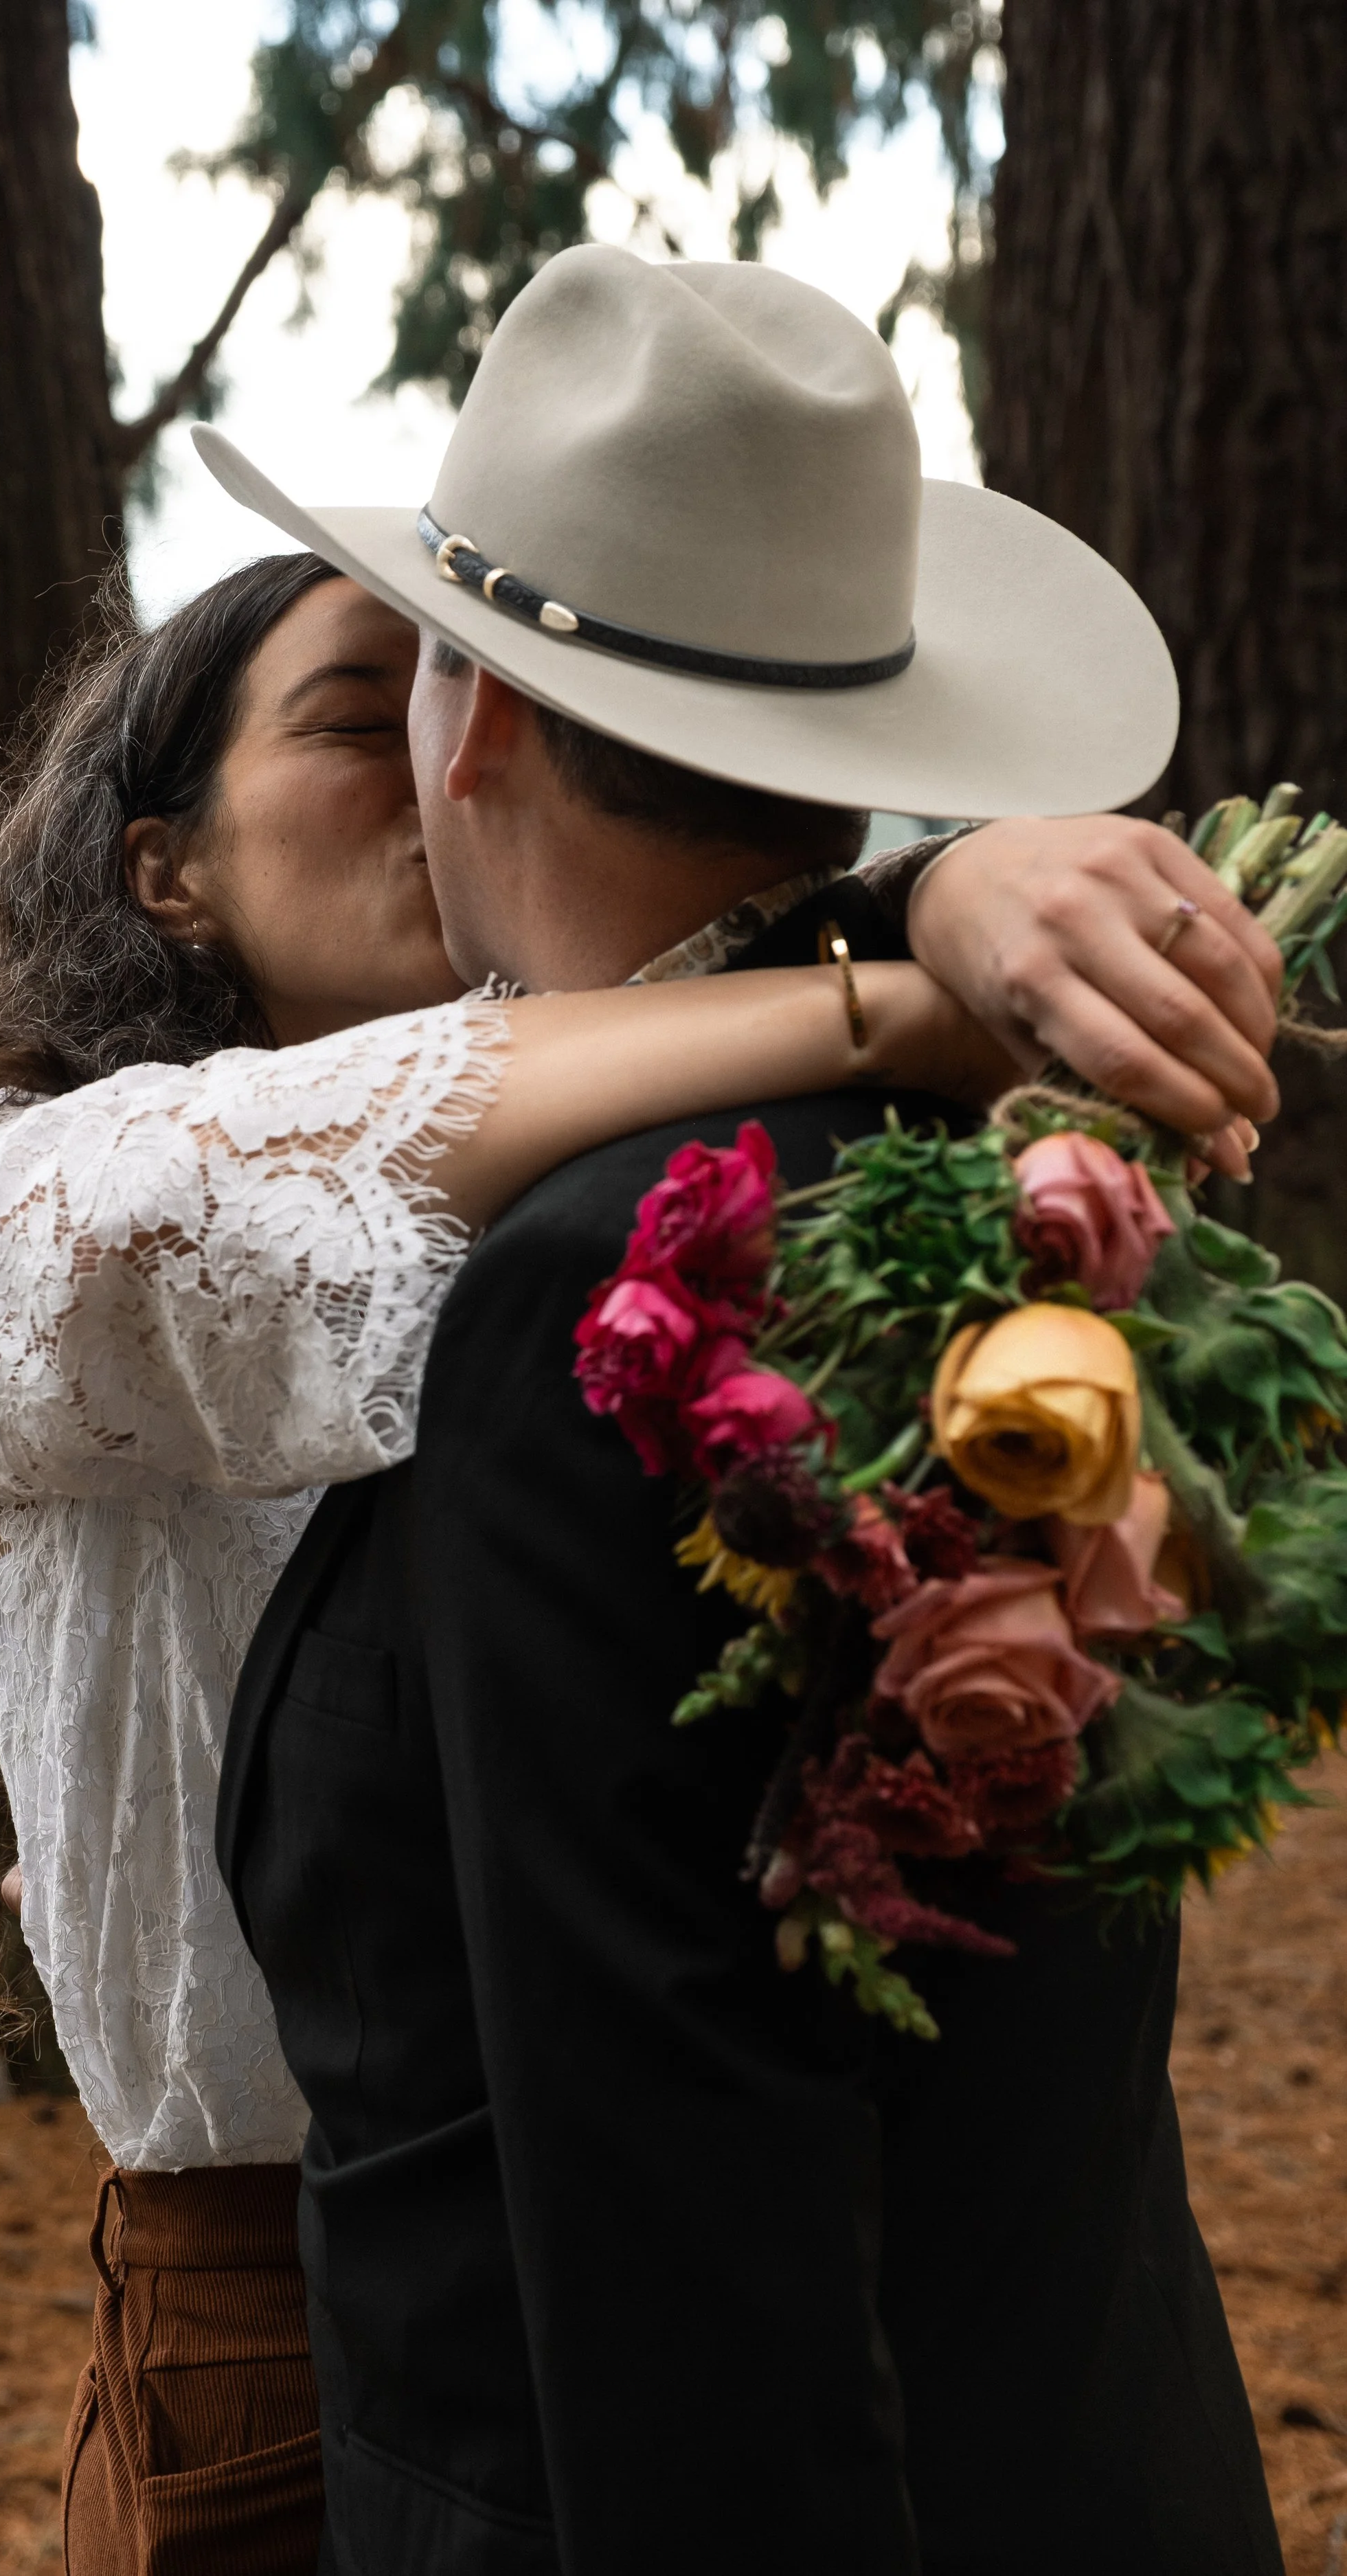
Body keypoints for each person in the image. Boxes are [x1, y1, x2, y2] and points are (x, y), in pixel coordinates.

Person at [204, 248, 1285, 2573]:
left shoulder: (605, 1292)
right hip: (1096, 2471)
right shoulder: (1035, 1189)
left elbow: (679, 2211)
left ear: (469, 727)